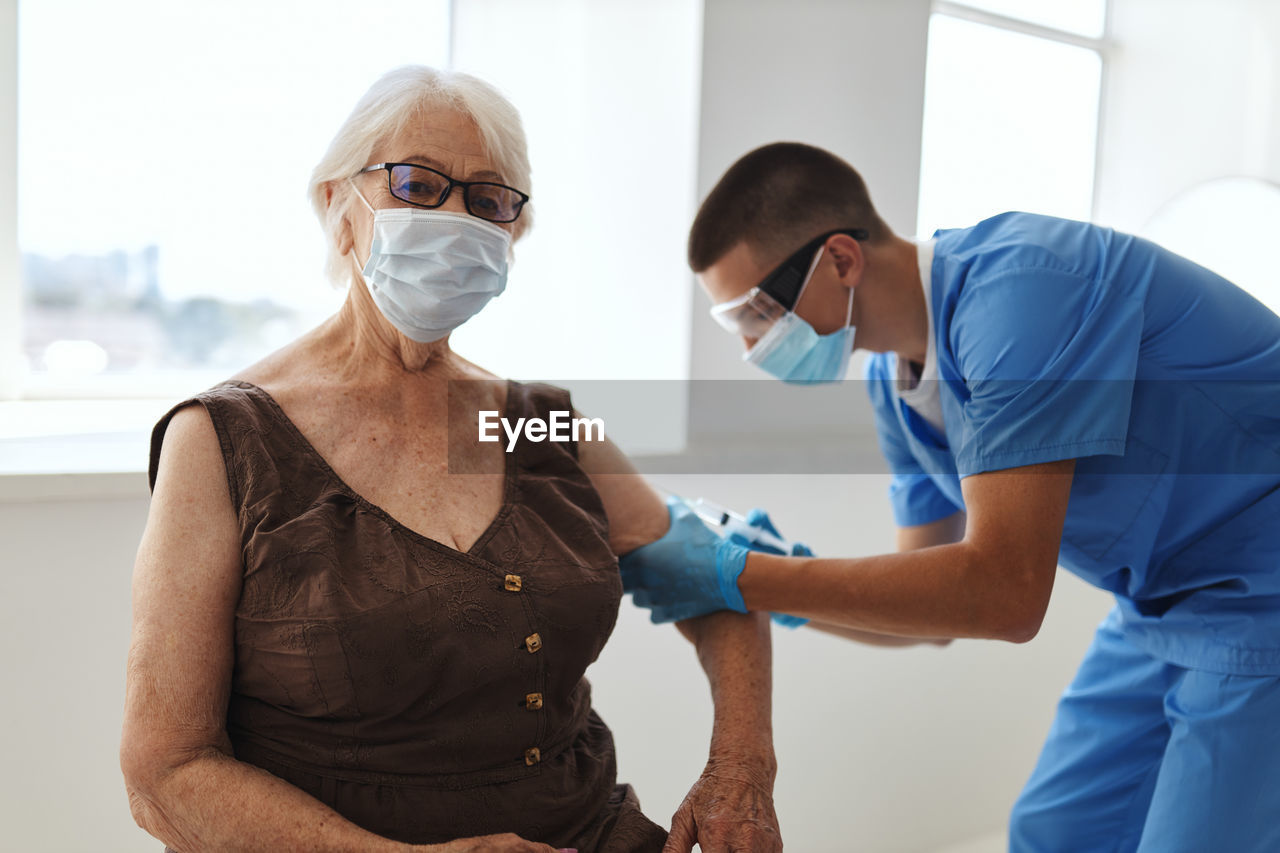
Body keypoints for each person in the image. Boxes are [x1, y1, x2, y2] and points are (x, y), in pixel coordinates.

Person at [120, 66, 782, 853]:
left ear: (514, 234)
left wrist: (740, 769)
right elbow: (165, 770)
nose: (453, 217)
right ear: (338, 205)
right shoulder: (225, 440)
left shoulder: (540, 422)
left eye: (488, 199)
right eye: (416, 183)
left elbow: (717, 578)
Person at [618, 142, 1280, 852]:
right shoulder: (895, 389)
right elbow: (930, 615)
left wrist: (740, 576)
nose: (751, 346)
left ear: (841, 258)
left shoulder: (1024, 291)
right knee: (1055, 832)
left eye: (755, 312)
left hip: (1261, 593)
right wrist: (774, 572)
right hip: (1159, 603)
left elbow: (1003, 592)